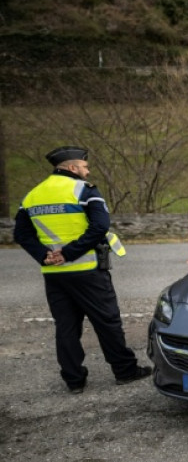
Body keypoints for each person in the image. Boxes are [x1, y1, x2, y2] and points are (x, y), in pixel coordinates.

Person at [13, 146, 153, 394]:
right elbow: (100, 227)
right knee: (107, 321)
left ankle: (74, 380)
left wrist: (45, 256)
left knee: (66, 326)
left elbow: (21, 234)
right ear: (71, 167)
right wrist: (68, 253)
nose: (87, 172)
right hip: (87, 270)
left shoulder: (32, 196)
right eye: (85, 167)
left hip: (54, 274)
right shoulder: (84, 191)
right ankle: (125, 371)